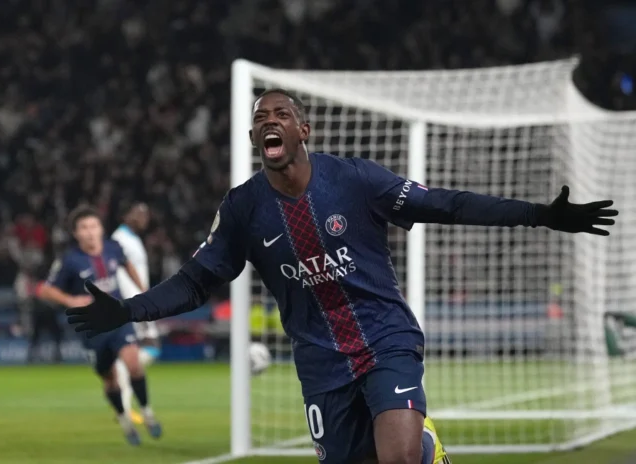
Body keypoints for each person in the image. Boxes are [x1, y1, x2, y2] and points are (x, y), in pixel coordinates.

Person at [66, 89, 618, 464]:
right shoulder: (242, 209)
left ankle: (420, 446)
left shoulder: (355, 180)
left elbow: (445, 205)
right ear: (254, 137)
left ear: (303, 129)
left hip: (385, 339)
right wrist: (129, 309)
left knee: (397, 458)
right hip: (320, 364)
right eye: (260, 117)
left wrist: (538, 214)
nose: (268, 120)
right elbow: (195, 281)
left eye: (280, 114)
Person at [40, 205, 162, 446]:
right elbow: (45, 290)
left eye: (93, 226)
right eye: (84, 228)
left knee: (134, 364)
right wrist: (70, 300)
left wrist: (142, 290)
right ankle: (123, 418)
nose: (90, 232)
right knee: (110, 379)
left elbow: (127, 264)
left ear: (101, 229)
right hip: (92, 328)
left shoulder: (113, 248)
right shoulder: (69, 260)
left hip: (117, 318)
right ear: (76, 233)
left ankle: (147, 412)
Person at [111, 202, 160, 425]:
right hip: (133, 303)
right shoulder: (119, 239)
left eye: (146, 213)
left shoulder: (133, 238)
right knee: (150, 347)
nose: (144, 218)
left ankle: (123, 396)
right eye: (139, 213)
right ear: (126, 215)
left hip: (139, 301)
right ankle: (124, 401)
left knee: (147, 349)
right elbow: (118, 272)